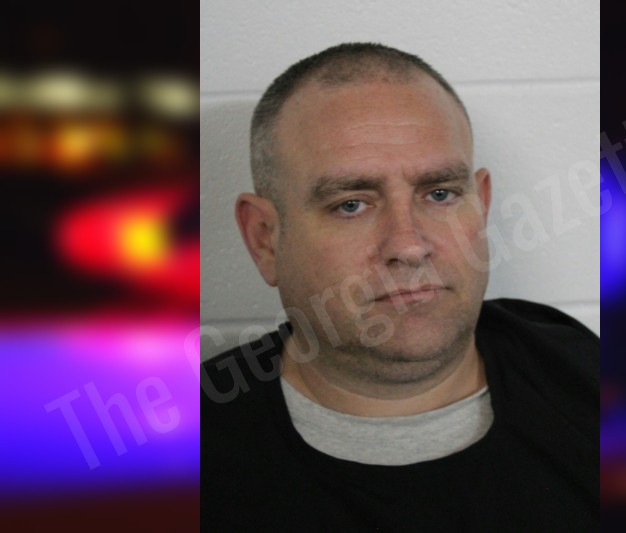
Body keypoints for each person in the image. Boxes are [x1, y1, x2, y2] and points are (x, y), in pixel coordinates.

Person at [201, 42, 598, 531]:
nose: (409, 246)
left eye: (440, 194)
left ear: (482, 206)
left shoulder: (592, 381)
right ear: (265, 239)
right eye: (351, 204)